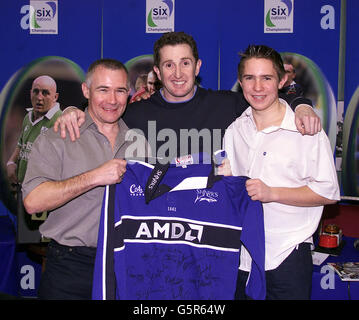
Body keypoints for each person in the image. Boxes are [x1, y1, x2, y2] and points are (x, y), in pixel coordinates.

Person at [54, 31, 321, 162]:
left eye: (185, 63)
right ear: (157, 72)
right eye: (169, 65)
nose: (178, 73)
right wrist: (73, 111)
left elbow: (274, 93)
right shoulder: (134, 113)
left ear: (198, 66)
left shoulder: (229, 104)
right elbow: (103, 109)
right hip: (153, 234)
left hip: (213, 234)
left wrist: (302, 106)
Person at [21, 59, 148, 300]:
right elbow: (33, 201)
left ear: (128, 93)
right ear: (86, 91)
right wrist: (95, 177)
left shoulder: (139, 143)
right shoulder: (59, 136)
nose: (112, 100)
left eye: (120, 90)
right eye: (103, 89)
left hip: (125, 265)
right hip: (70, 267)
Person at [222, 45, 340, 300]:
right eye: (250, 78)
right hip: (244, 256)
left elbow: (328, 192)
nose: (258, 87)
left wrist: (272, 192)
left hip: (287, 254)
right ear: (241, 82)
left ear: (282, 80)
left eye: (267, 78)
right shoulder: (234, 131)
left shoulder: (306, 129)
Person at [6, 75, 62, 188]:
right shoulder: (28, 116)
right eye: (36, 91)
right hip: (21, 187)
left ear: (55, 97)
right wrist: (11, 162)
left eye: (45, 93)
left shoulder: (60, 120)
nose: (39, 97)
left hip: (40, 191)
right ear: (30, 93)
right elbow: (21, 144)